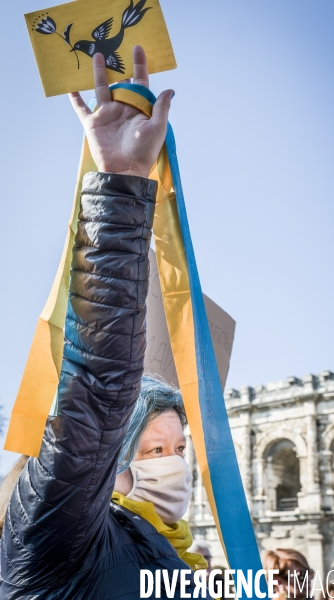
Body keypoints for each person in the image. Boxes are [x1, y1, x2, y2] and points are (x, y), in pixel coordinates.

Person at [0, 46, 209, 599]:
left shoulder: (176, 554)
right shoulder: (53, 539)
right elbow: (98, 391)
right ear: (104, 459)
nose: (174, 469)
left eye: (179, 450)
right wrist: (119, 183)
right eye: (153, 452)